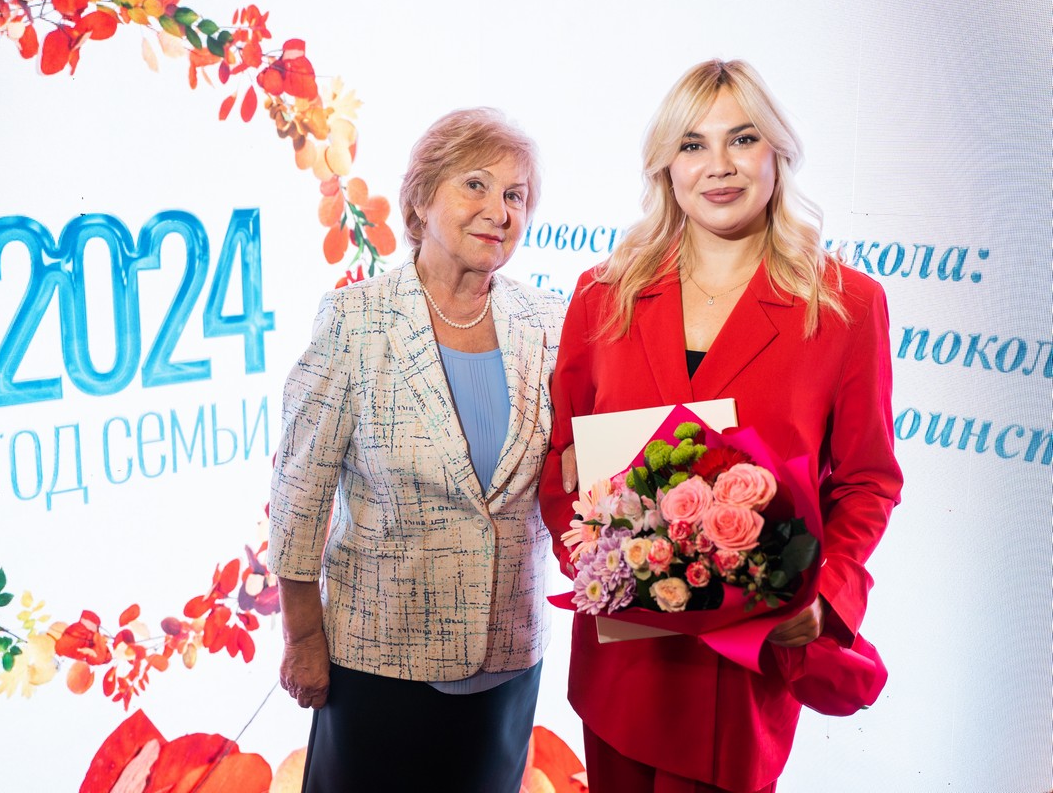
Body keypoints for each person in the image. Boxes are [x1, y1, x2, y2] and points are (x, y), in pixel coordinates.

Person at [538, 59, 904, 793]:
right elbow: (564, 457)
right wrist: (602, 567)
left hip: (744, 672)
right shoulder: (603, 295)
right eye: (693, 144)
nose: (719, 165)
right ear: (666, 166)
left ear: (777, 152)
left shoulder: (845, 306)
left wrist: (827, 597)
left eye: (742, 138)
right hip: (625, 665)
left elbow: (867, 482)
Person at [269, 108, 566, 793]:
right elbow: (299, 498)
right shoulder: (355, 319)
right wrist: (303, 639)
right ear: (422, 199)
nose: (499, 211)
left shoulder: (551, 322)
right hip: (379, 662)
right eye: (475, 185)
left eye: (516, 195)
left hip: (509, 660)